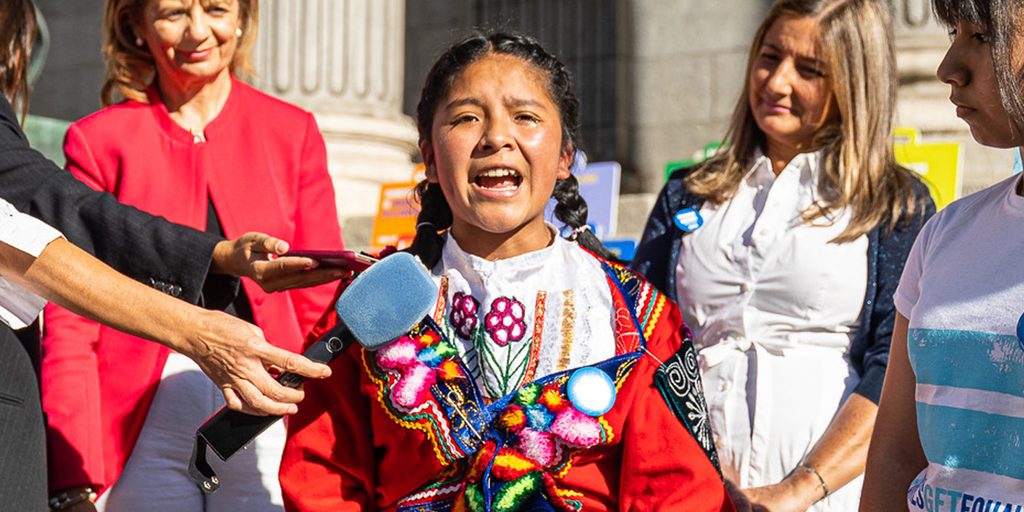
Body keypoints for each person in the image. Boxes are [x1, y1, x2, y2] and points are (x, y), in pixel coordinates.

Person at [279, 31, 733, 511]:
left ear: (564, 158)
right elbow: (321, 478)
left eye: (526, 117)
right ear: (430, 158)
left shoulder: (638, 318)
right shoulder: (373, 304)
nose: (497, 137)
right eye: (466, 118)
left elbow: (681, 493)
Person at [0, 1, 342, 510]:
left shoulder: (293, 131)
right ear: (134, 24)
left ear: (244, 17)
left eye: (217, 9)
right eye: (174, 12)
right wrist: (74, 479)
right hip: (137, 422)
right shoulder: (98, 140)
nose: (197, 31)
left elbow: (323, 303)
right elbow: (73, 323)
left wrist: (333, 438)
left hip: (271, 405)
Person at [630, 0, 935, 509]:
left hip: (831, 496)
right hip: (690, 490)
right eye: (769, 57)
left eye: (809, 70)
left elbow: (899, 369)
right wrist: (692, 461)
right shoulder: (688, 192)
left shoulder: (893, 202)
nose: (776, 82)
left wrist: (797, 490)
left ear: (854, 84)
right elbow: (641, 337)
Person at [862, 0, 1024, 508]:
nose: (946, 68)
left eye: (983, 37)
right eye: (956, 32)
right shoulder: (945, 234)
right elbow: (894, 457)